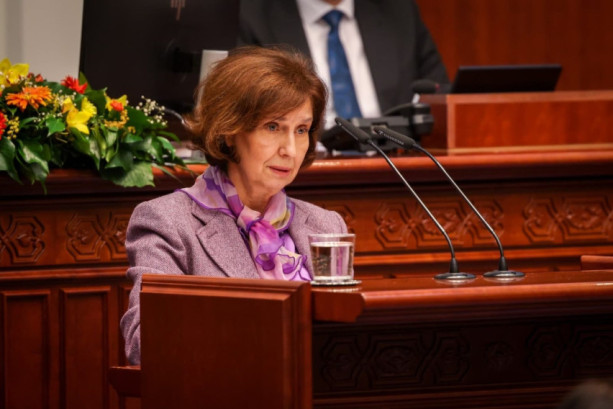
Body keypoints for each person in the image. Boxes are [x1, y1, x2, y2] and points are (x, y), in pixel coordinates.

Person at [120, 46, 348, 365]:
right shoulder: (168, 222)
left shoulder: (326, 226)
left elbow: (345, 343)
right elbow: (145, 346)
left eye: (301, 130)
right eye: (273, 127)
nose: (291, 149)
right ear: (229, 131)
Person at [239, 0, 449, 128]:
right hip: (304, 169)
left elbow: (440, 94)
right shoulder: (253, 16)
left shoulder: (398, 11)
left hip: (397, 163)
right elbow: (246, 111)